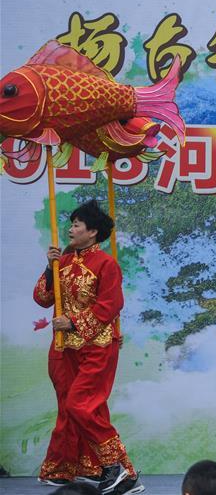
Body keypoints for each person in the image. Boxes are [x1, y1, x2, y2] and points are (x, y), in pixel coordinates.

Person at [33, 200, 142, 494]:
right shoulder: (64, 262)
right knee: (72, 407)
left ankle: (118, 468)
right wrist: (50, 268)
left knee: (81, 405)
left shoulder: (106, 264)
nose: (70, 229)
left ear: (92, 232)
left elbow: (111, 305)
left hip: (97, 346)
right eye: (71, 224)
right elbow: (42, 298)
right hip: (65, 349)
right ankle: (79, 468)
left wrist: (73, 322)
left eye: (76, 225)